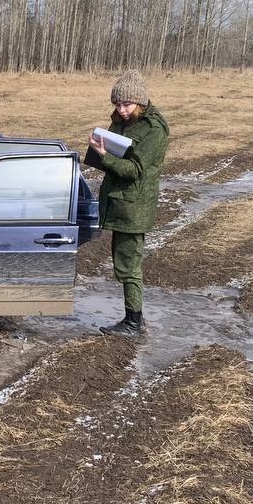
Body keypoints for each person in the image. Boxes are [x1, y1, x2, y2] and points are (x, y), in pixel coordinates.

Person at [86, 71, 169, 337]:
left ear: (140, 102)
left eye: (127, 105)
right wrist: (99, 150)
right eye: (117, 104)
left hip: (134, 206)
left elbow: (134, 170)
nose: (121, 110)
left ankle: (133, 323)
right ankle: (136, 319)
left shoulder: (153, 130)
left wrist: (104, 156)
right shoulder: (123, 123)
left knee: (128, 265)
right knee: (122, 261)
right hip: (120, 202)